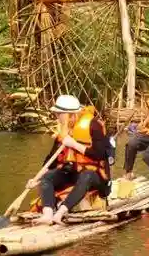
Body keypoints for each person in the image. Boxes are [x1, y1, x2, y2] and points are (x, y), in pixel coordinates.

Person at [28, 95, 112, 225]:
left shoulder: (93, 125)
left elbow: (100, 154)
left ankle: (60, 213)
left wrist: (74, 144)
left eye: (59, 114)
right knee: (48, 177)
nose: (57, 117)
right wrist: (36, 179)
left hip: (96, 177)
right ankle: (48, 214)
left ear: (71, 115)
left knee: (86, 176)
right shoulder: (64, 130)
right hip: (74, 173)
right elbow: (51, 160)